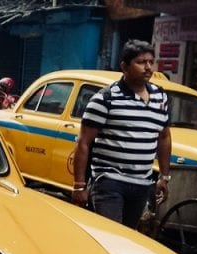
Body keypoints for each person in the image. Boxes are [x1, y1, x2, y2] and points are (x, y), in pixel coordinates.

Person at [72, 39, 171, 229]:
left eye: (151, 62)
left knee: (129, 238)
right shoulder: (105, 99)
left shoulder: (161, 97)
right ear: (124, 66)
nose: (148, 67)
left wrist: (164, 177)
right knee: (111, 235)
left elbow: (164, 137)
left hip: (142, 182)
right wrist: (79, 185)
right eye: (141, 62)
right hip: (110, 182)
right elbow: (84, 142)